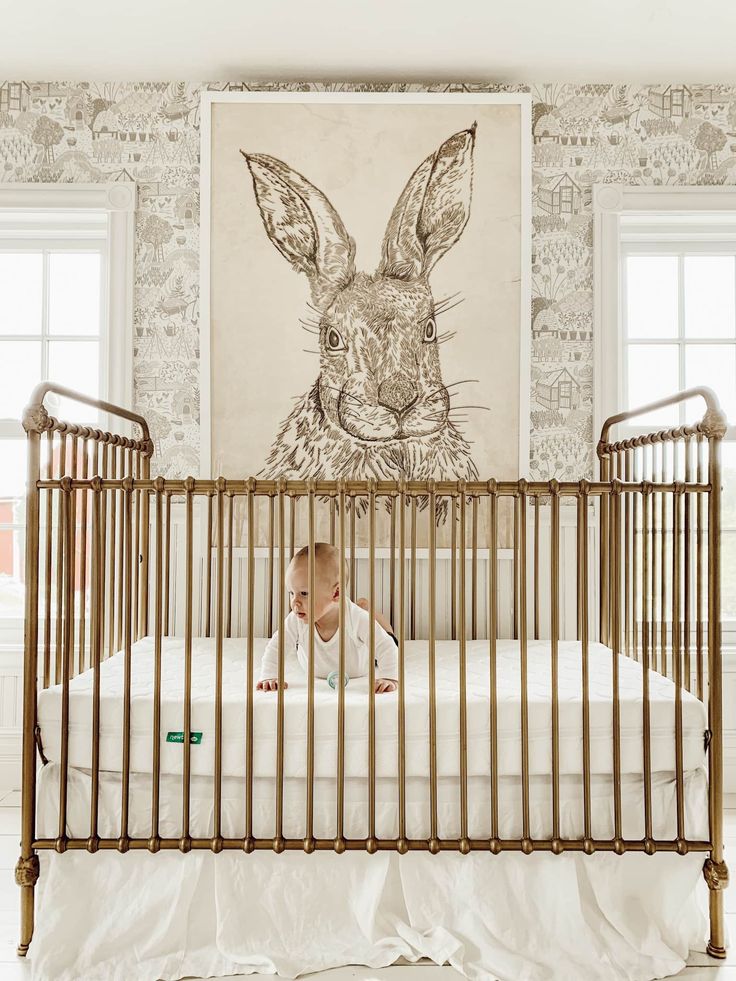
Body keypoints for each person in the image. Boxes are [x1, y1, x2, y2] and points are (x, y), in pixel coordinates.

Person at [257, 542, 398, 693]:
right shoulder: (297, 619)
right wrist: (269, 675)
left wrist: (389, 677)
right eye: (292, 593)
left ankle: (366, 607)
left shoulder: (356, 618)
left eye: (304, 593)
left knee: (390, 638)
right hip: (313, 647)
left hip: (361, 656)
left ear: (336, 593)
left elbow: (386, 646)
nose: (294, 602)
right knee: (300, 635)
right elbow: (277, 646)